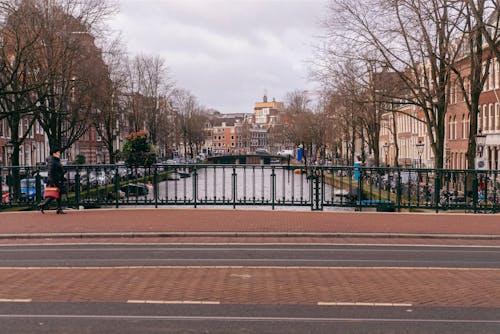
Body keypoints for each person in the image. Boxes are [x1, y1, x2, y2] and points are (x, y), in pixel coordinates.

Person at [38, 147, 66, 214]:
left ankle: (59, 208)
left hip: (55, 179)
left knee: (57, 193)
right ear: (54, 153)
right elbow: (54, 170)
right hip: (55, 179)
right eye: (58, 152)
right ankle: (43, 204)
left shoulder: (53, 160)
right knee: (54, 194)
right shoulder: (53, 161)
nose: (59, 153)